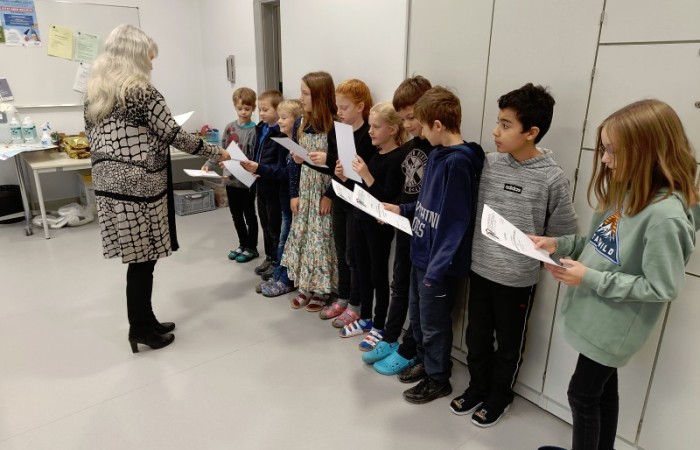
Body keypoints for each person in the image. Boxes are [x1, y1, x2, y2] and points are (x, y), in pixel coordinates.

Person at [534, 99, 699, 450]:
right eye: (604, 149)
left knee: (581, 395)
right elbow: (598, 244)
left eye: (612, 151)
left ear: (647, 151)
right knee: (601, 393)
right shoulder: (623, 189)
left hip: (613, 327)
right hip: (595, 316)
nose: (605, 160)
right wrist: (558, 244)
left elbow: (662, 287)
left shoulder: (665, 217)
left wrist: (589, 278)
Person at [84, 24, 229, 353]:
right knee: (143, 263)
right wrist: (215, 151)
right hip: (139, 189)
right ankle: (140, 329)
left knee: (140, 261)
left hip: (109, 188)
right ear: (135, 56)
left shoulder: (95, 93)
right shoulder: (142, 92)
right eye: (149, 57)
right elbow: (176, 136)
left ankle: (147, 320)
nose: (152, 64)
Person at [450, 83, 577, 428]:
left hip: (517, 280)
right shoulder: (489, 164)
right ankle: (477, 387)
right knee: (476, 338)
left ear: (531, 132)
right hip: (480, 269)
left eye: (506, 125)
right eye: (498, 122)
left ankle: (499, 397)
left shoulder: (552, 178)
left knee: (508, 345)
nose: (496, 131)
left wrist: (550, 248)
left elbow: (565, 234)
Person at [386, 86, 484, 404]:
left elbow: (455, 222)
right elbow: (427, 205)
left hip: (437, 267)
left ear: (438, 125)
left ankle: (438, 378)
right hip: (420, 254)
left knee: (434, 325)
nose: (420, 132)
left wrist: (436, 270)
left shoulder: (459, 163)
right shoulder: (438, 155)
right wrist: (401, 209)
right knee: (418, 318)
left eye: (423, 125)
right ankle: (425, 362)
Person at [364, 75, 435, 375]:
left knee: (418, 296)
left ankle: (411, 348)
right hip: (404, 228)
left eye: (411, 117)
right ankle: (392, 337)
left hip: (424, 234)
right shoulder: (410, 148)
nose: (408, 124)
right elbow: (399, 191)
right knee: (399, 285)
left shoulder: (436, 151)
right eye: (403, 118)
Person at [334, 102, 408, 350]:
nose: (370, 131)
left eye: (376, 127)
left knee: (378, 275)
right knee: (361, 271)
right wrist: (345, 178)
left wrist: (365, 174)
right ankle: (365, 317)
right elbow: (362, 189)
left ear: (393, 129)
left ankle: (378, 325)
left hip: (378, 227)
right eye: (370, 126)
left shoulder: (398, 158)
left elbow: (385, 199)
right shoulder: (376, 154)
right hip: (359, 218)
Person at [313, 79, 374, 321]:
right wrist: (315, 161)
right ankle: (343, 297)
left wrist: (332, 163)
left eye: (344, 107)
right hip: (340, 197)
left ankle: (355, 304)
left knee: (353, 255)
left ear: (360, 107)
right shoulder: (336, 132)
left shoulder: (369, 135)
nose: (339, 112)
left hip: (357, 202)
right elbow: (335, 169)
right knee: (341, 251)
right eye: (337, 107)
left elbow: (365, 174)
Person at [281, 71, 338, 311]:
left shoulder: (335, 125)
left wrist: (329, 195)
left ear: (320, 96)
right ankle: (305, 285)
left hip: (323, 190)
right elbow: (295, 164)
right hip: (305, 188)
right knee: (303, 238)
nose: (301, 98)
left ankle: (322, 288)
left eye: (305, 93)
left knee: (321, 241)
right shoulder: (300, 122)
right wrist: (294, 193)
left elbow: (340, 165)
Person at [242, 99, 302, 297]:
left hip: (290, 201)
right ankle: (278, 276)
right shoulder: (283, 139)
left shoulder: (294, 144)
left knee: (284, 241)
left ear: (297, 121)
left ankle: (284, 279)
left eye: (284, 118)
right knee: (280, 239)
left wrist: (261, 169)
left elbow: (286, 173)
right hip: (284, 199)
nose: (280, 121)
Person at [203, 87, 259, 263]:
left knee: (249, 215)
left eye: (247, 109)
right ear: (235, 107)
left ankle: (252, 248)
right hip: (230, 180)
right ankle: (242, 244)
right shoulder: (229, 127)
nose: (243, 112)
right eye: (239, 108)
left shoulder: (256, 131)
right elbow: (220, 151)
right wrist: (208, 164)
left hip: (247, 181)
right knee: (236, 215)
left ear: (253, 108)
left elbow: (255, 157)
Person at [251, 90, 285, 280]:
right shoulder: (261, 128)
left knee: (274, 226)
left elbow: (279, 166)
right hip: (260, 184)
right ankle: (269, 257)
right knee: (264, 223)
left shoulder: (281, 134)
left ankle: (277, 261)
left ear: (278, 109)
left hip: (273, 187)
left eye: (265, 110)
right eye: (260, 109)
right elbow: (257, 154)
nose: (261, 113)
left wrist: (261, 169)